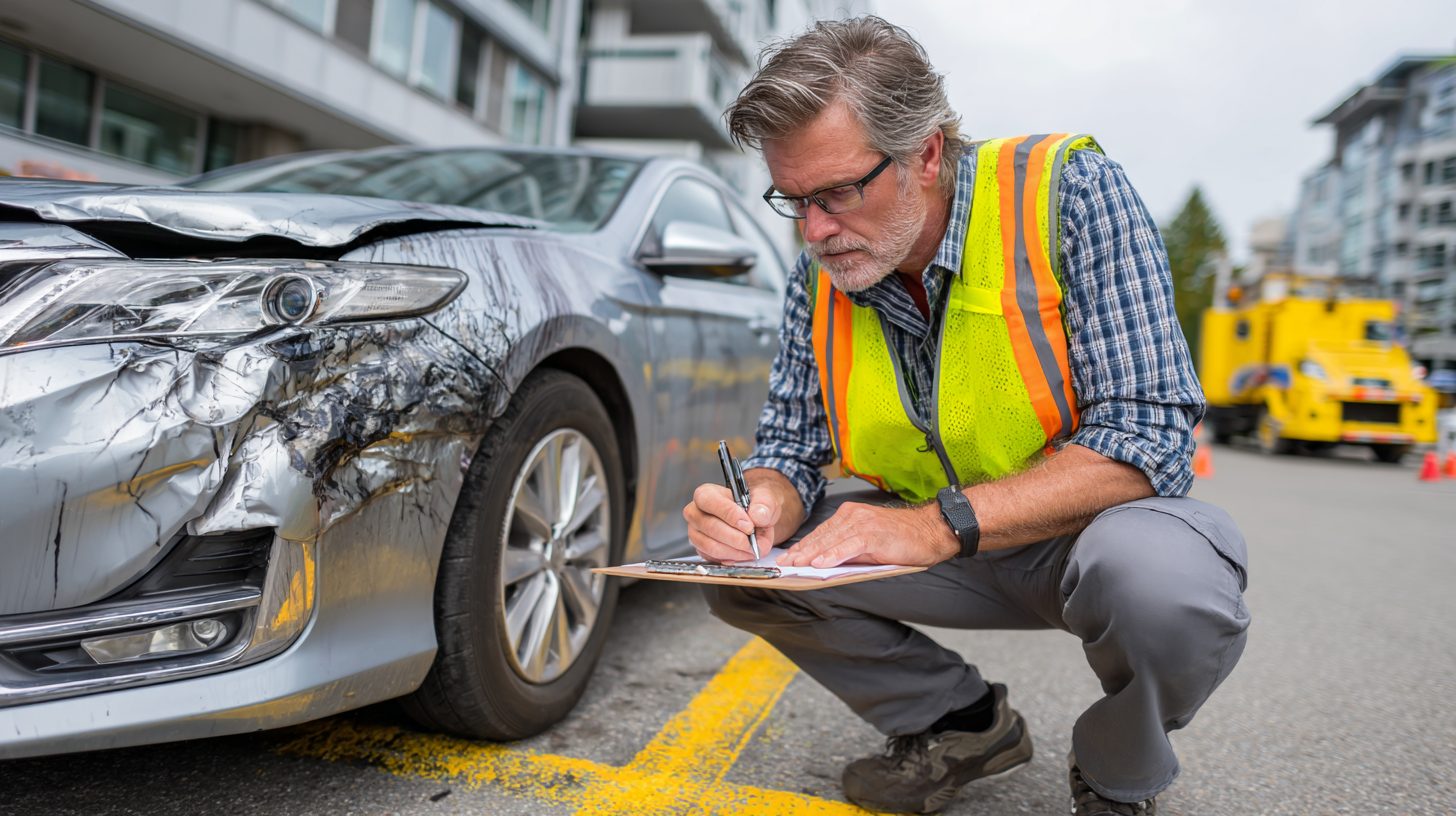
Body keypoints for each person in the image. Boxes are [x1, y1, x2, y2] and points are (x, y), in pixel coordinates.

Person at [682, 16, 1250, 816]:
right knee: (739, 574)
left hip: (1081, 542)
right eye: (794, 200)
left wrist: (934, 526)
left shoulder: (1071, 195)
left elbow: (1148, 439)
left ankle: (1117, 768)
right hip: (936, 543)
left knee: (1166, 589)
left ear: (927, 153)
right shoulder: (823, 269)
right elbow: (790, 445)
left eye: (838, 192)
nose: (814, 230)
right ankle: (959, 723)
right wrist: (763, 503)